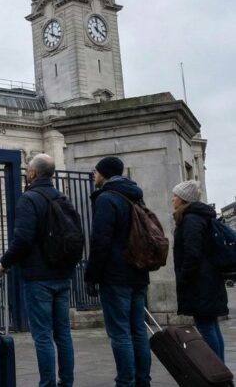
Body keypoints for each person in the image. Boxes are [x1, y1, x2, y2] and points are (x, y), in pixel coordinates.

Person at [0, 153, 74, 387]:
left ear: (32, 173)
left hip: (39, 277)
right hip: (62, 274)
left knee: (43, 336)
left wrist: (3, 264)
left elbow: (22, 240)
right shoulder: (63, 198)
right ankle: (66, 383)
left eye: (28, 169)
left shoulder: (29, 199)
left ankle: (47, 384)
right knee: (63, 334)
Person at [84, 156, 151, 387]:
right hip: (139, 273)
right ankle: (143, 380)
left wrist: (92, 276)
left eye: (97, 171)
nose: (94, 175)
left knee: (120, 333)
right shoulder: (136, 196)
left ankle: (125, 381)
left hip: (115, 276)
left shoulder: (107, 199)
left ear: (105, 174)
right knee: (138, 331)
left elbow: (100, 241)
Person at [171, 180, 227, 360]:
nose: (173, 199)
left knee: (206, 326)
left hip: (200, 281)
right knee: (211, 326)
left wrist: (184, 278)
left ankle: (216, 371)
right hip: (209, 279)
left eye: (175, 196)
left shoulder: (191, 220)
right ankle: (221, 370)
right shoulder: (202, 217)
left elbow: (192, 253)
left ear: (184, 199)